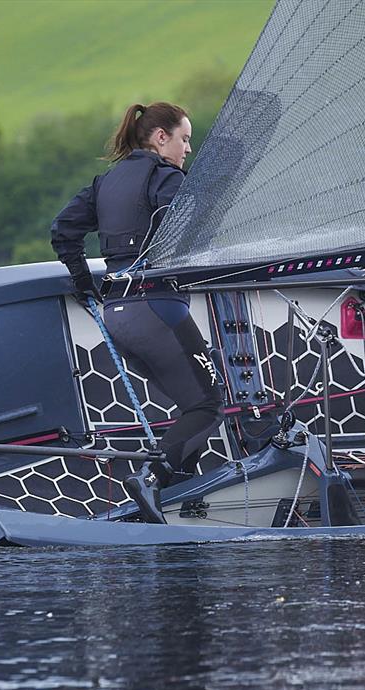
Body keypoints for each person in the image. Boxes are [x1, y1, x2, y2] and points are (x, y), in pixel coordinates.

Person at [51, 102, 224, 524]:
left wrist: (82, 281)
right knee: (208, 406)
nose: (188, 149)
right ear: (160, 137)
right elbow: (187, 222)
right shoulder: (166, 177)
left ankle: (176, 497)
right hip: (157, 310)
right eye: (184, 139)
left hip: (117, 316)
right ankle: (152, 478)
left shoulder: (105, 183)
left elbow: (62, 229)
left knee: (191, 408)